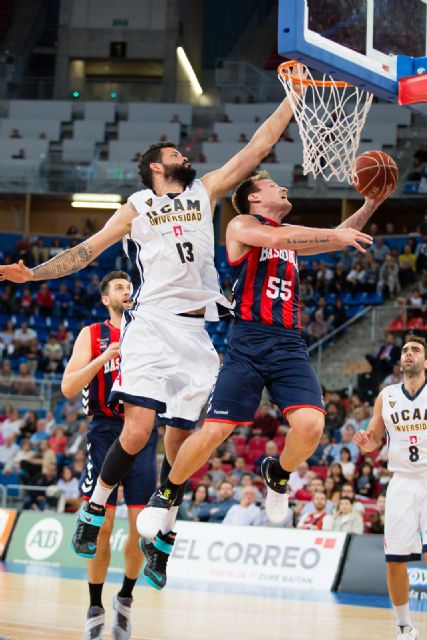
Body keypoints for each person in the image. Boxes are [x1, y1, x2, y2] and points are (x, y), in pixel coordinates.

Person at [0, 69, 376, 583]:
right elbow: (89, 251)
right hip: (152, 324)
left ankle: (163, 539)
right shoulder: (136, 207)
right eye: (176, 153)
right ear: (157, 166)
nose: (185, 155)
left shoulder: (207, 190)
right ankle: (95, 506)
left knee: (182, 443)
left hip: (198, 332)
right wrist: (36, 273)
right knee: (137, 430)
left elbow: (258, 145)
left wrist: (295, 98)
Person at [138, 167, 385, 543]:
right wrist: (334, 232)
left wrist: (371, 203)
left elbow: (335, 241)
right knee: (217, 430)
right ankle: (167, 490)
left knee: (311, 427)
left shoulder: (289, 238)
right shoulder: (241, 225)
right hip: (248, 341)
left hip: (289, 343)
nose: (282, 187)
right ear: (254, 197)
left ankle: (279, 474)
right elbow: (282, 236)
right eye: (272, 185)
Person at [61, 271, 158, 639]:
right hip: (104, 431)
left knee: (141, 527)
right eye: (119, 287)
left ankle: (126, 601)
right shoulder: (93, 334)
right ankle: (94, 605)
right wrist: (103, 358)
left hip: (143, 432)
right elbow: (68, 387)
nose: (126, 291)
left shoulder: (148, 331)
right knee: (100, 526)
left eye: (129, 287)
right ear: (106, 299)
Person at [353, 335, 427, 640]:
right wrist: (365, 442)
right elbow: (373, 441)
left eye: (416, 350)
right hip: (401, 482)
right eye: (406, 350)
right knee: (395, 559)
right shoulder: (386, 395)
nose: (408, 354)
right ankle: (404, 626)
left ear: (426, 361)